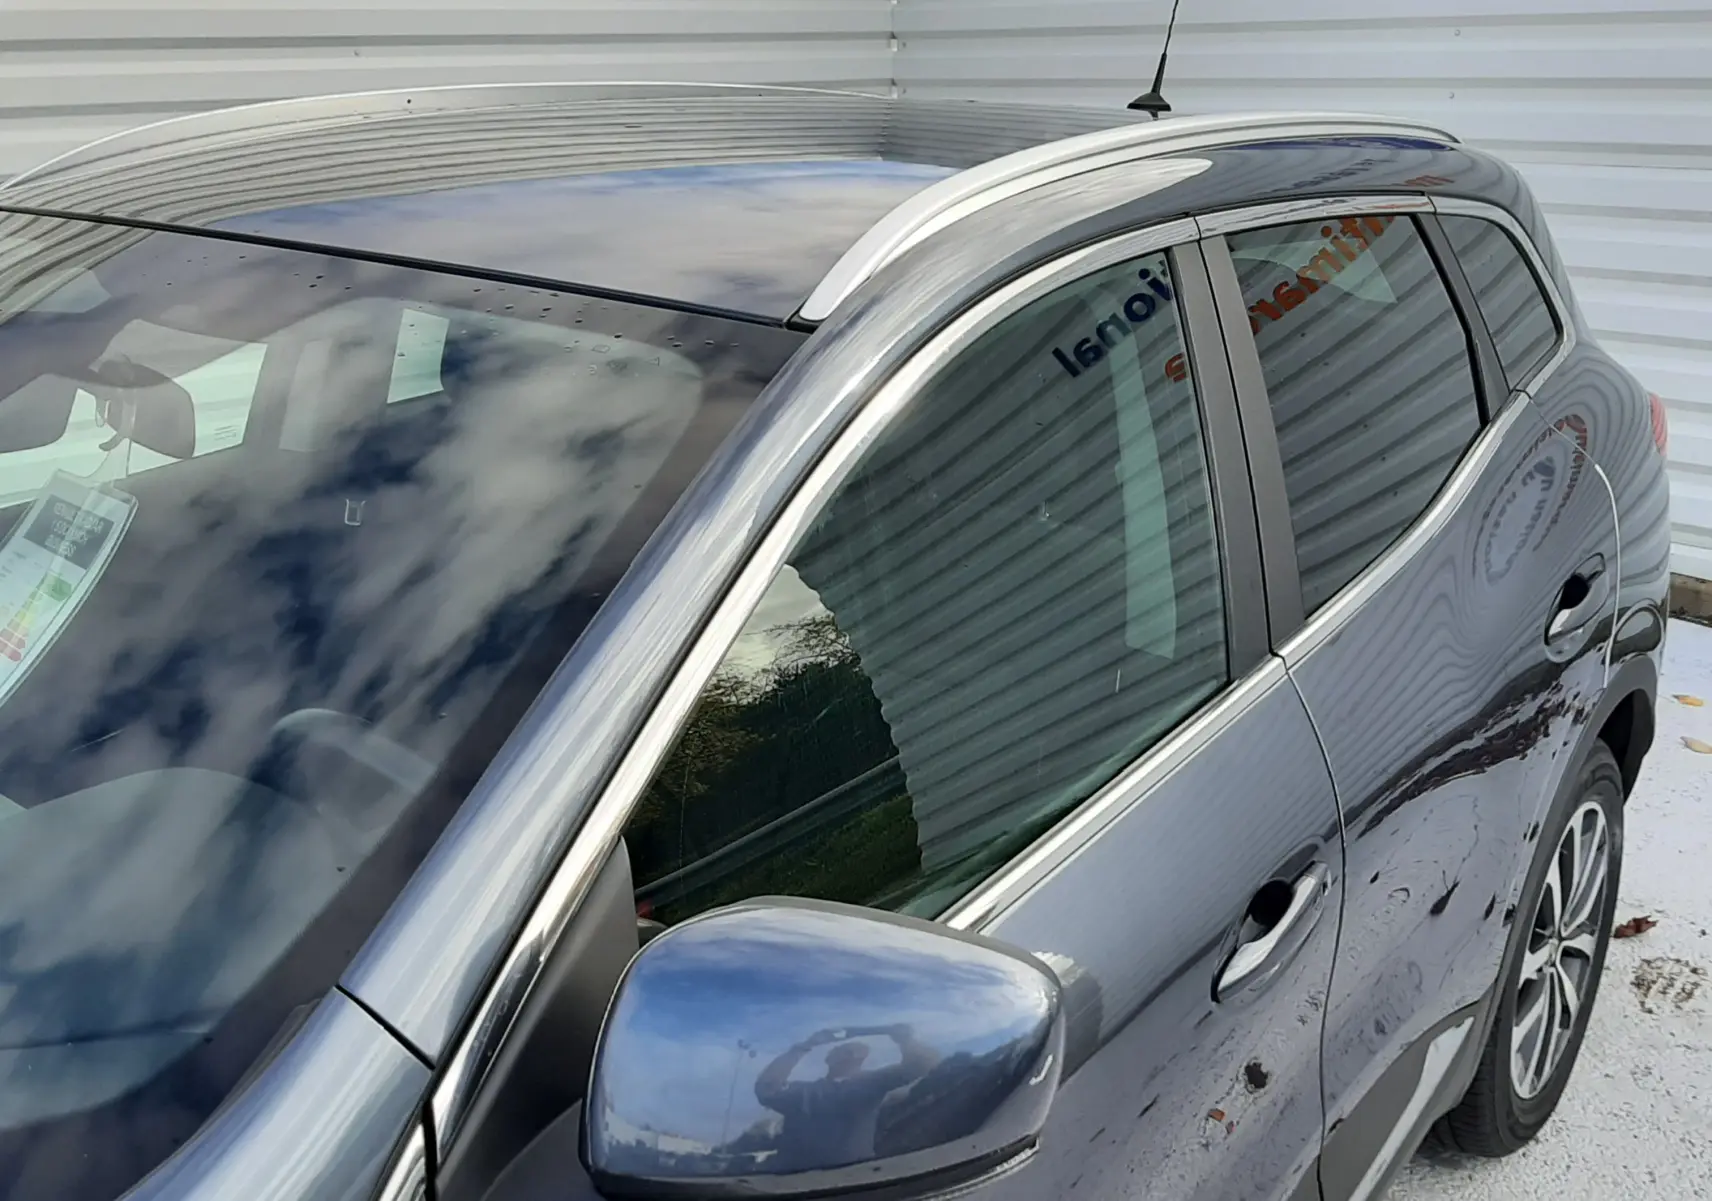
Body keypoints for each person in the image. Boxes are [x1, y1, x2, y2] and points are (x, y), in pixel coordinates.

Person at [753, 1023, 938, 1173]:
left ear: (860, 1057)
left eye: (849, 1050)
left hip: (855, 1181)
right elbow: (767, 1088)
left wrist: (904, 1039)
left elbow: (924, 1065)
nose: (843, 1052)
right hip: (792, 1185)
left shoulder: (872, 1083)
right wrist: (805, 1045)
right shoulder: (805, 1091)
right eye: (841, 1049)